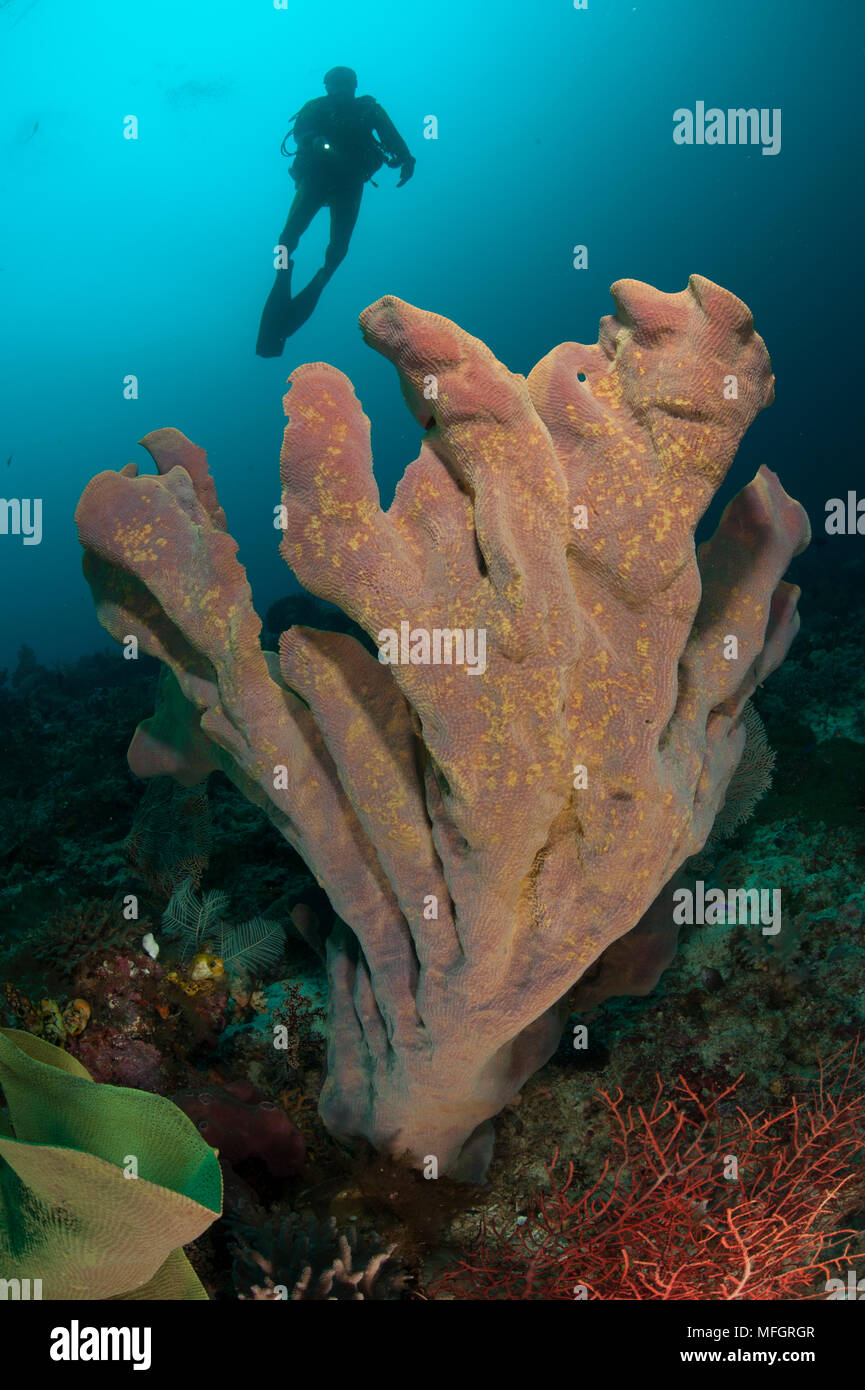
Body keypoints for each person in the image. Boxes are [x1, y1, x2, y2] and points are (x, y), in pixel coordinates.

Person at [256, 66, 415, 357]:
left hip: (350, 183)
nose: (340, 88)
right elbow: (300, 133)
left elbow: (390, 135)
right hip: (317, 178)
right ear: (326, 86)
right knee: (288, 237)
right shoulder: (315, 108)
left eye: (345, 83)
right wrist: (313, 141)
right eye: (335, 83)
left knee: (338, 249)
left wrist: (405, 156)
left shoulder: (368, 109)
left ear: (355, 84)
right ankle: (284, 278)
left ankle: (319, 281)